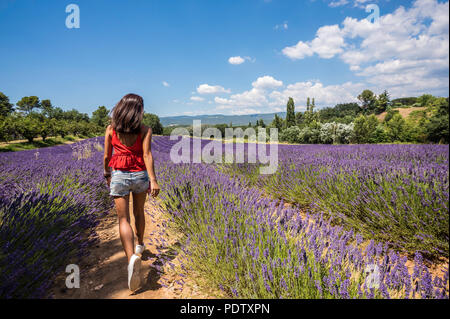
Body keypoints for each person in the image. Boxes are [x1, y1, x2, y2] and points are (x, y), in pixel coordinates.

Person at [103, 93, 160, 292]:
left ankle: (130, 260)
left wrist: (107, 174)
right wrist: (153, 180)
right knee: (138, 212)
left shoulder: (111, 129)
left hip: (118, 175)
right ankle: (140, 245)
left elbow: (106, 156)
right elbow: (147, 155)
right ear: (138, 111)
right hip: (139, 175)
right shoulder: (145, 130)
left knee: (123, 220)